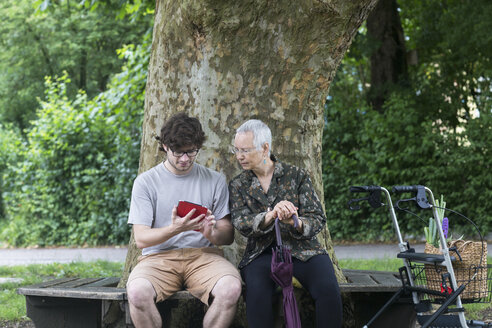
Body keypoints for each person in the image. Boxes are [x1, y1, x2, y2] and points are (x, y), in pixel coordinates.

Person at [126, 112, 242, 328]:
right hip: (157, 258)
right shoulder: (146, 182)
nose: (185, 159)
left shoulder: (214, 179)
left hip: (204, 257)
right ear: (165, 147)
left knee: (231, 289)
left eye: (191, 152)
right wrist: (175, 229)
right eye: (178, 152)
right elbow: (141, 239)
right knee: (137, 292)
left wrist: (211, 233)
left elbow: (227, 234)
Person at [229, 119, 343, 328]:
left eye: (245, 150)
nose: (239, 156)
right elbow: (240, 221)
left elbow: (317, 217)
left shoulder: (296, 175)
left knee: (328, 291)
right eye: (236, 149)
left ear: (265, 148)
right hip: (261, 253)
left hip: (303, 250)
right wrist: (269, 215)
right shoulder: (238, 184)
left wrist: (296, 222)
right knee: (257, 294)